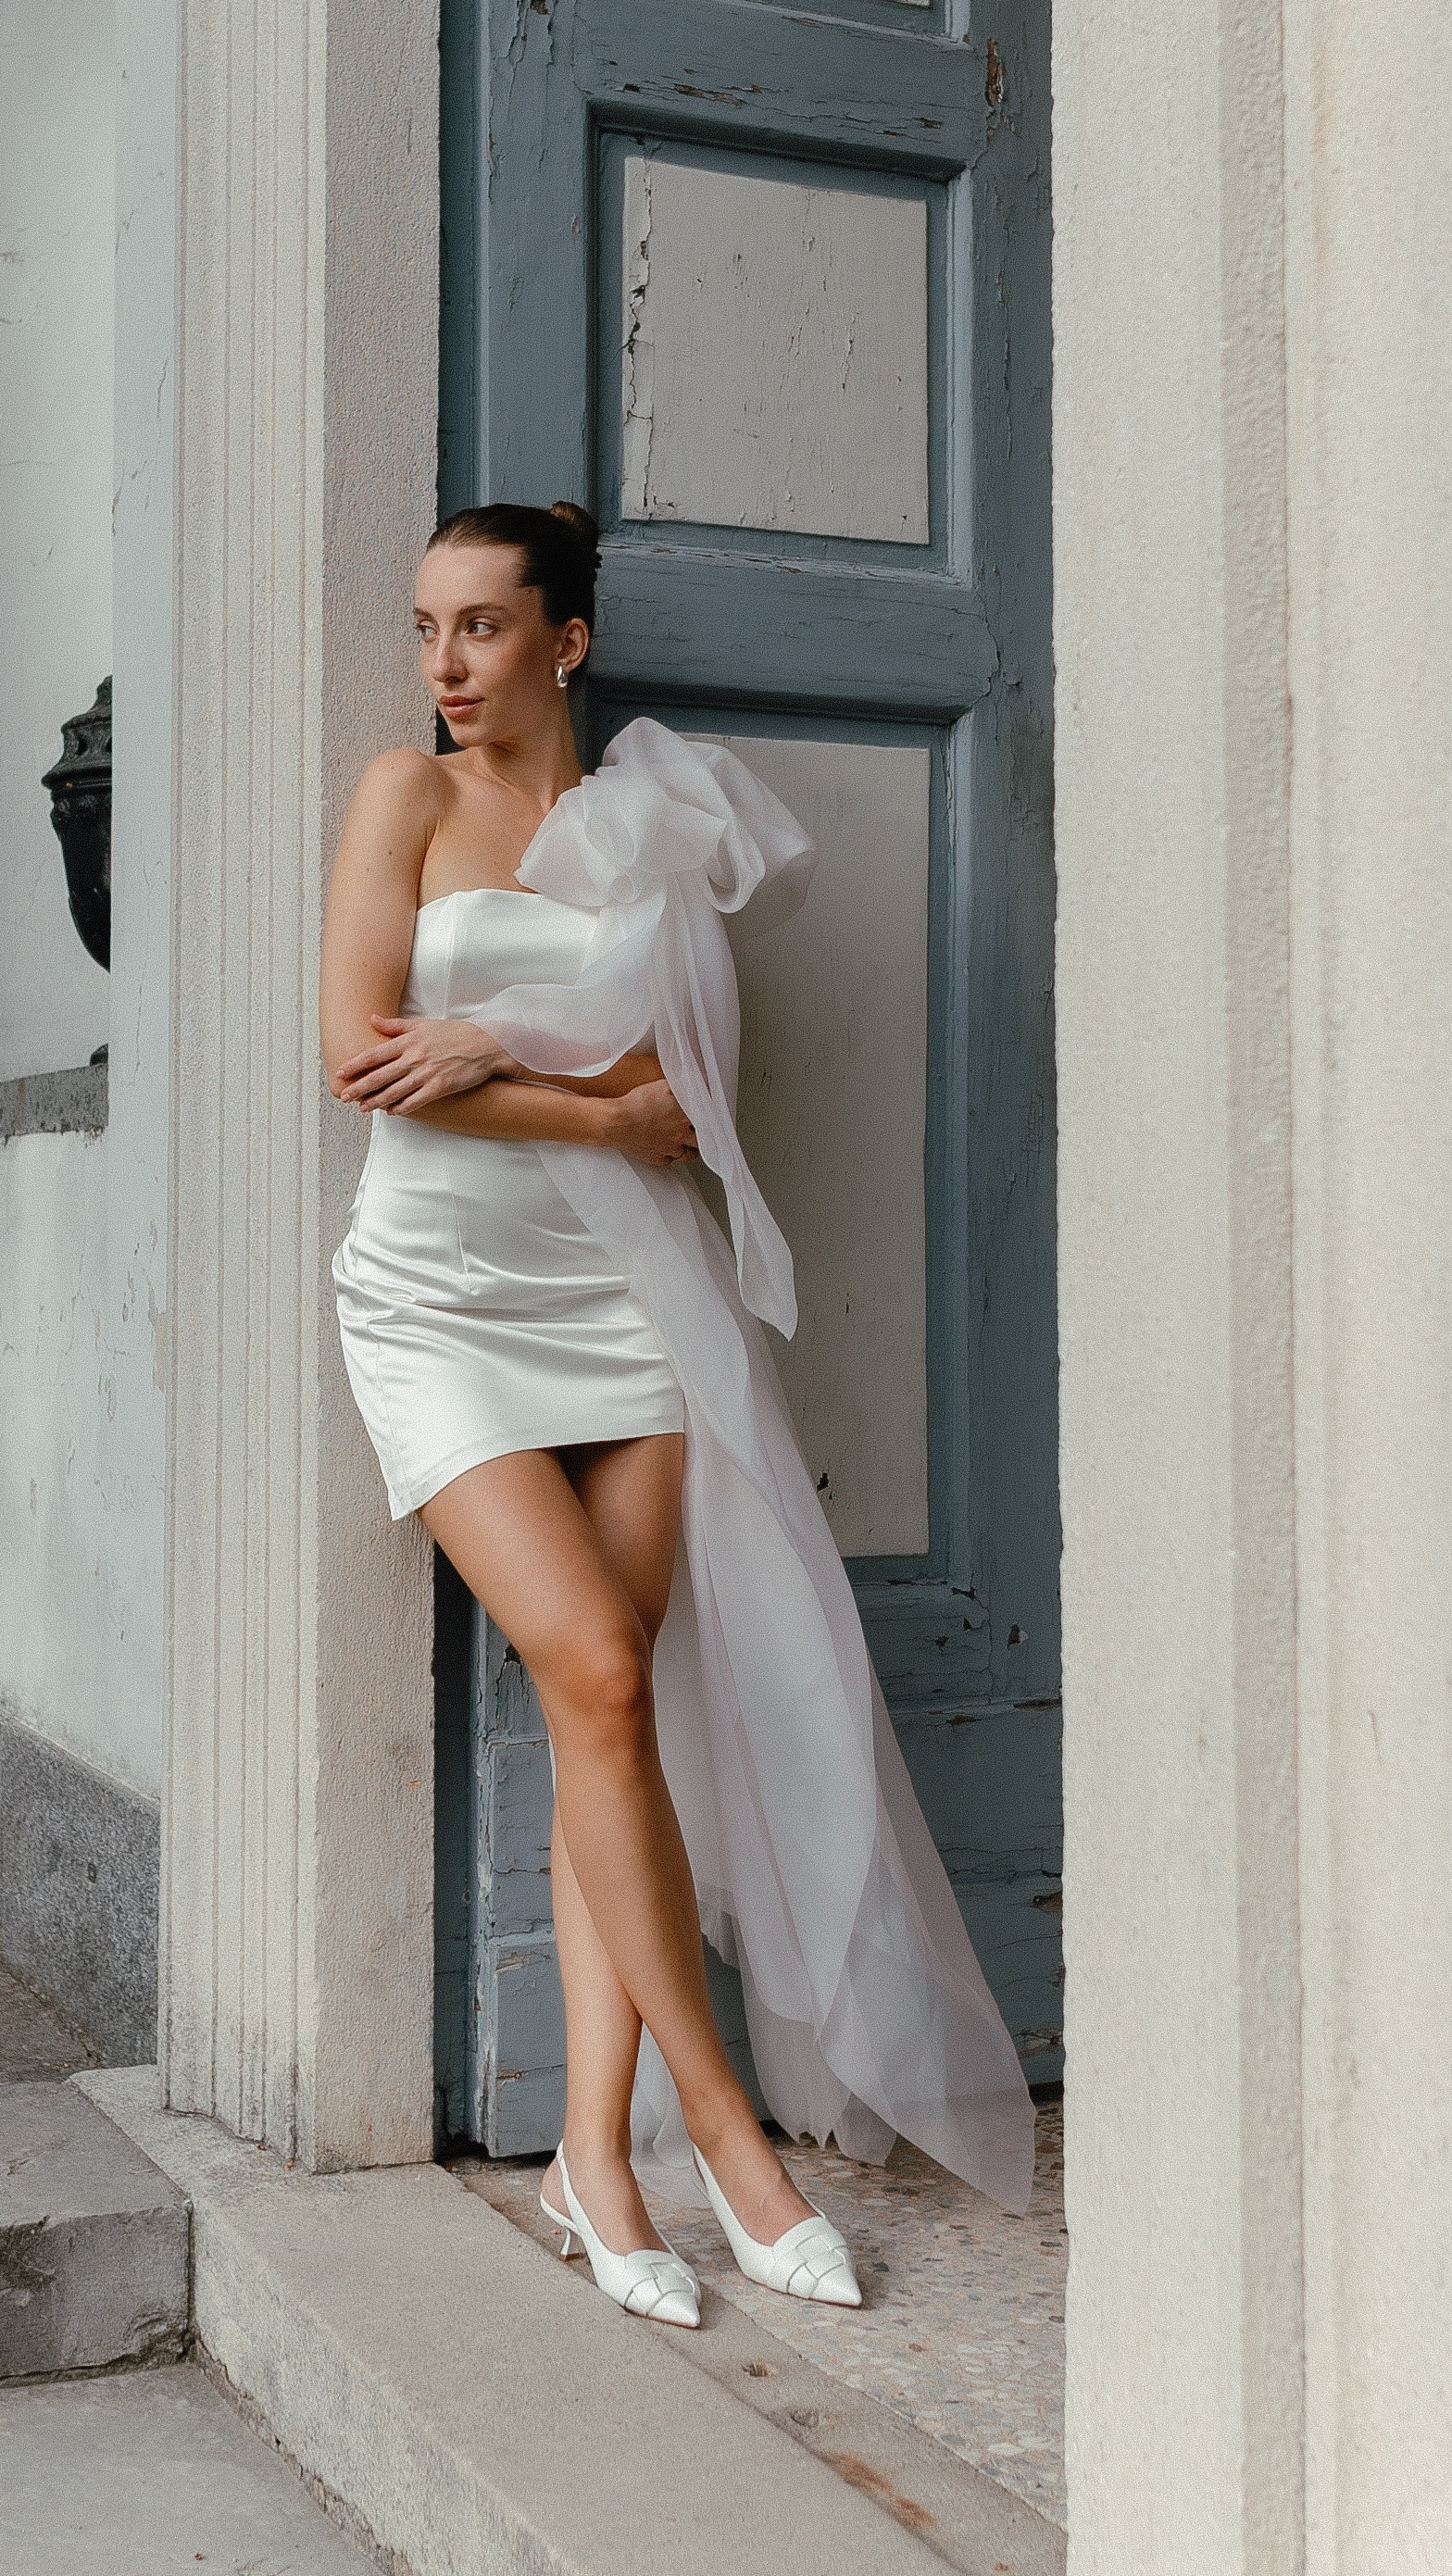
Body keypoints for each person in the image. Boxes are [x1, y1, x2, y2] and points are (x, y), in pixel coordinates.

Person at [322, 499, 1034, 2332]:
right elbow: (362, 1058)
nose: (445, 664)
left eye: (483, 627)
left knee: (605, 1709)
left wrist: (504, 1050)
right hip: (439, 1307)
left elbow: (683, 1081)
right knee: (598, 1671)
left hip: (624, 1303)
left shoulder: (650, 821)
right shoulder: (402, 800)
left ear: (564, 640)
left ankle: (591, 2156)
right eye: (426, 628)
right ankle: (724, 2133)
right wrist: (562, 1092)